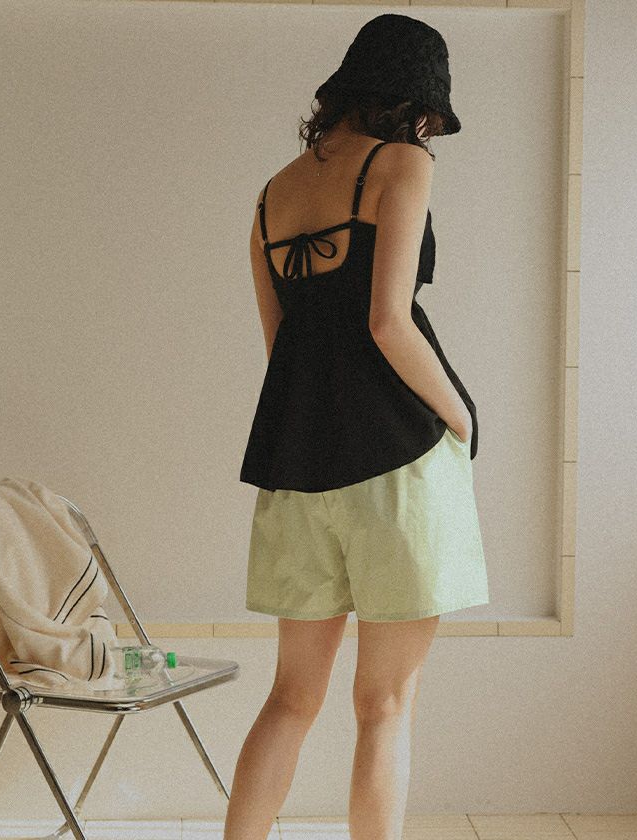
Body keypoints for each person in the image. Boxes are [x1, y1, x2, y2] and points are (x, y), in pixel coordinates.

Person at [227, 14, 489, 840]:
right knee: (385, 705)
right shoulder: (402, 163)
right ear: (412, 100)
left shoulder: (270, 196)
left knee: (290, 698)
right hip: (398, 461)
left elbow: (281, 349)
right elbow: (387, 320)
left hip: (297, 468)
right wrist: (461, 414)